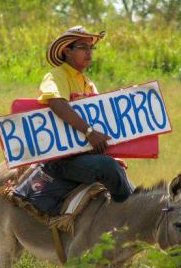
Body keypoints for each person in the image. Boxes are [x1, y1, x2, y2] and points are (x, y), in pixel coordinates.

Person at [38, 26, 134, 202]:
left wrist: (110, 155)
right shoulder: (56, 75)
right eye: (83, 47)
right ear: (67, 51)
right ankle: (130, 222)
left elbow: (100, 124)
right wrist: (89, 132)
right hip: (62, 159)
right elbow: (57, 103)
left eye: (91, 48)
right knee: (109, 168)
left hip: (86, 155)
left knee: (124, 177)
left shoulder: (88, 83)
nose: (89, 53)